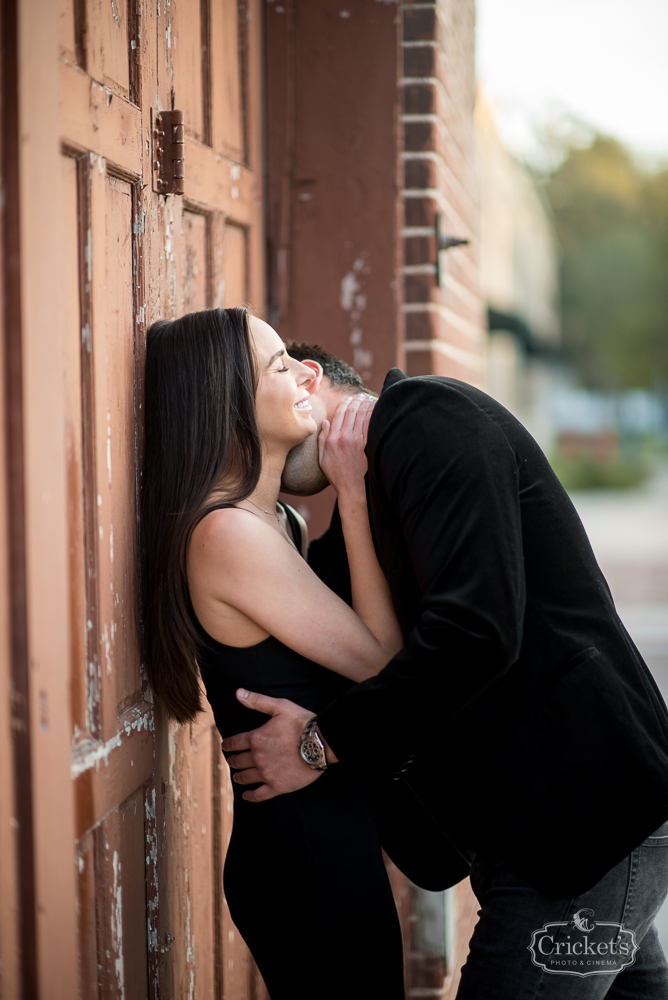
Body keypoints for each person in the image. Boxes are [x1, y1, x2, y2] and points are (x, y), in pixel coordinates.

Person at [222, 345, 668, 998]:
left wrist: (320, 743)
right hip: (538, 836)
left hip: (585, 822)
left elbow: (476, 633)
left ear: (307, 380)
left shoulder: (428, 419)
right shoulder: (354, 523)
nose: (243, 457)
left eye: (242, 433)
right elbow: (372, 657)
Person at [140, 307, 446, 1000]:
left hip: (332, 830)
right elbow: (382, 664)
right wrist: (354, 491)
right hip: (301, 851)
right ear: (229, 401)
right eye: (280, 366)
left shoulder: (277, 521)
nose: (306, 376)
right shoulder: (226, 535)